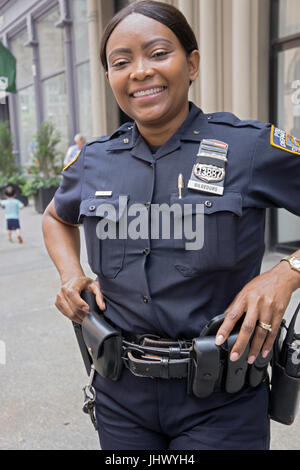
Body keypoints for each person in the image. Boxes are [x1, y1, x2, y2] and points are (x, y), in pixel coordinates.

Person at [42, 1, 300, 450]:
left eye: (158, 53)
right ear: (109, 79)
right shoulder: (93, 160)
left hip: (223, 398)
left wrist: (287, 273)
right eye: (121, 62)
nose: (139, 71)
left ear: (193, 63)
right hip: (121, 395)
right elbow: (54, 217)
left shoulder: (248, 147)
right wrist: (70, 274)